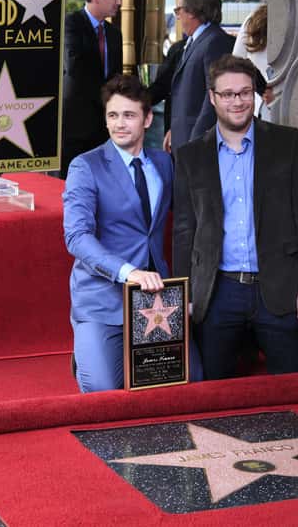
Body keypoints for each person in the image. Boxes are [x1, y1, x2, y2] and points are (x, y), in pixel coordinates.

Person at [173, 54, 298, 380]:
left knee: (296, 386)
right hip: (217, 293)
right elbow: (185, 231)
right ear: (212, 97)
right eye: (227, 94)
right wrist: (183, 293)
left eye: (244, 92)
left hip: (281, 290)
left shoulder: (288, 143)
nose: (237, 101)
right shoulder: (190, 157)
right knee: (215, 389)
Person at [63, 75, 201, 392]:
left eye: (129, 115)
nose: (120, 124)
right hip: (102, 299)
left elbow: (188, 225)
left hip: (156, 300)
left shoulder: (164, 163)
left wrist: (191, 292)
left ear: (148, 118)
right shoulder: (86, 167)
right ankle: (85, 353)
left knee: (192, 383)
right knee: (105, 393)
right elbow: (76, 237)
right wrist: (129, 273)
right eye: (113, 115)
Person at [151, 0, 234, 153]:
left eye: (178, 10)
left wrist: (197, 140)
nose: (177, 16)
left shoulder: (215, 41)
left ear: (193, 12)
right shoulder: (195, 41)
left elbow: (213, 98)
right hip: (184, 139)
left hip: (198, 144)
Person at [60, 0, 123, 178]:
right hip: (75, 126)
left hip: (105, 129)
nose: (120, 2)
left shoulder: (114, 34)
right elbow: (77, 69)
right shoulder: (70, 24)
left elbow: (116, 76)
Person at [232, 4, 279, 122]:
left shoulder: (254, 19)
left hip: (266, 106)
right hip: (263, 106)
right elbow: (237, 62)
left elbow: (237, 62)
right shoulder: (254, 20)